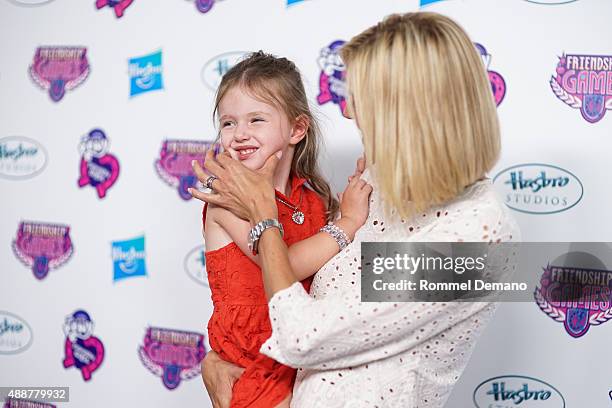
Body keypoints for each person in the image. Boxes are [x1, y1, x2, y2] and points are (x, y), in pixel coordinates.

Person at [190, 12, 520, 408]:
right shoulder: (378, 182)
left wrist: (264, 216)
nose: (346, 112)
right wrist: (221, 358)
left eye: (361, 99)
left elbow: (301, 337)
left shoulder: (479, 240)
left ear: (412, 110)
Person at [195, 51, 372, 408]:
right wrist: (347, 224)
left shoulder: (313, 195)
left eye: (256, 120)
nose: (239, 134)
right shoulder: (225, 200)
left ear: (297, 129)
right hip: (249, 364)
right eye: (228, 123)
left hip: (299, 357)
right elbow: (283, 263)